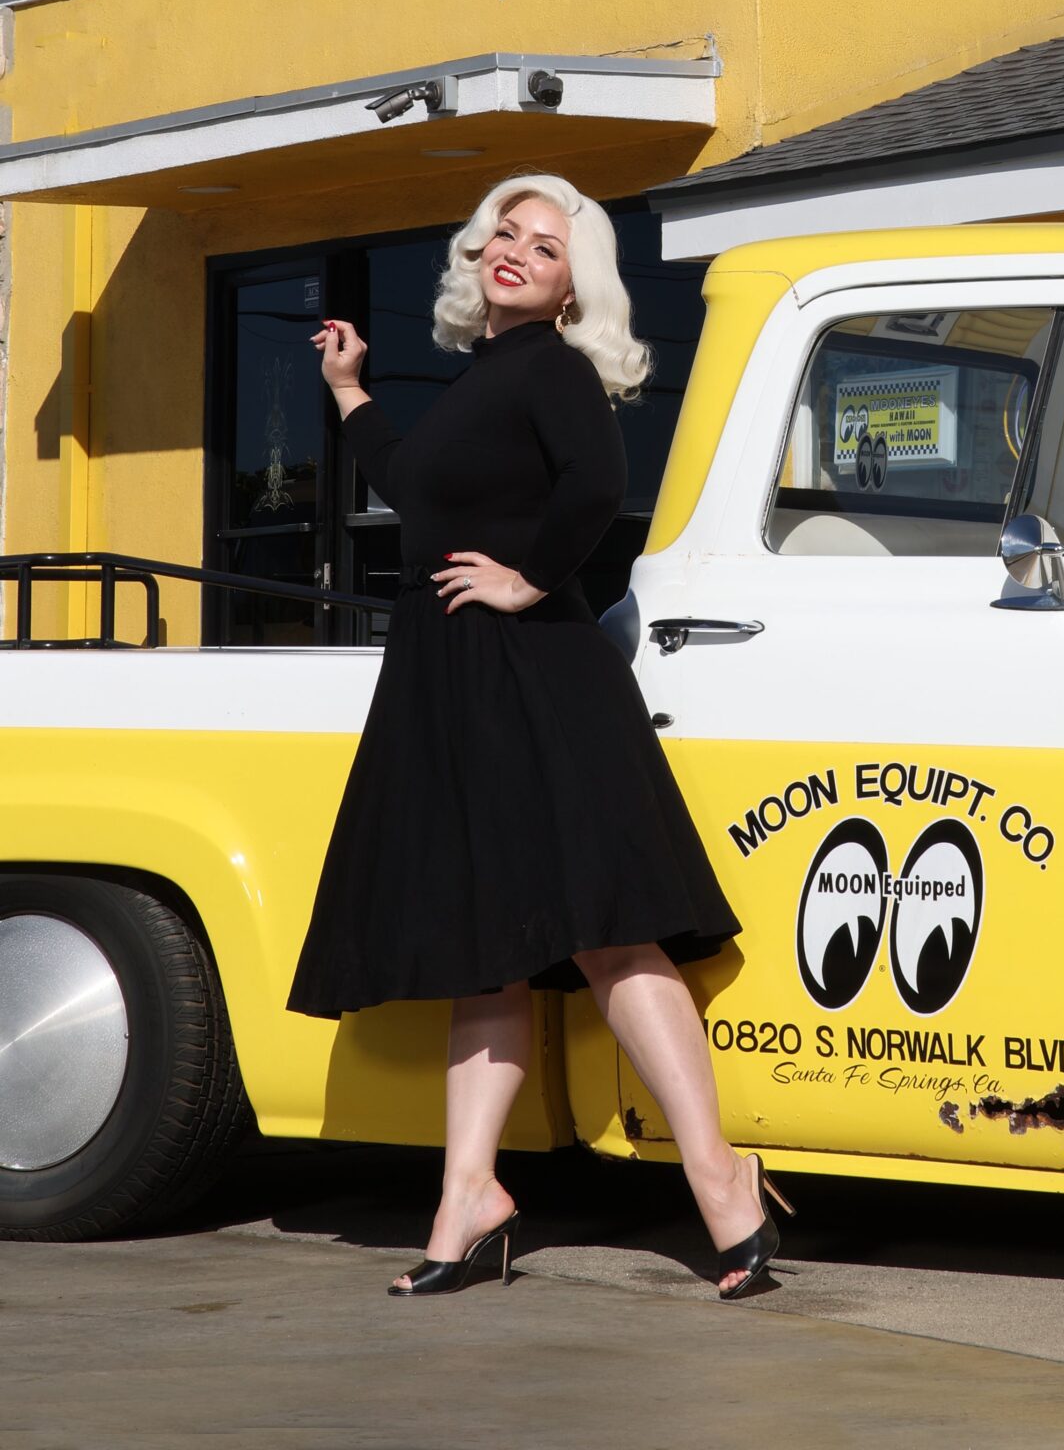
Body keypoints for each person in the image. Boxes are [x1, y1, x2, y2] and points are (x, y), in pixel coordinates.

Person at [288, 174, 789, 1300]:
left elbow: (600, 482)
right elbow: (412, 489)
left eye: (545, 246)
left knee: (612, 937)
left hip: (536, 680)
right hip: (454, 681)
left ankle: (721, 1179)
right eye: (504, 234)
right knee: (487, 950)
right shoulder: (482, 379)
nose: (515, 250)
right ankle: (469, 1196)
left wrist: (525, 580)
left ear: (572, 288)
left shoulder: (553, 367)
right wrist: (351, 390)